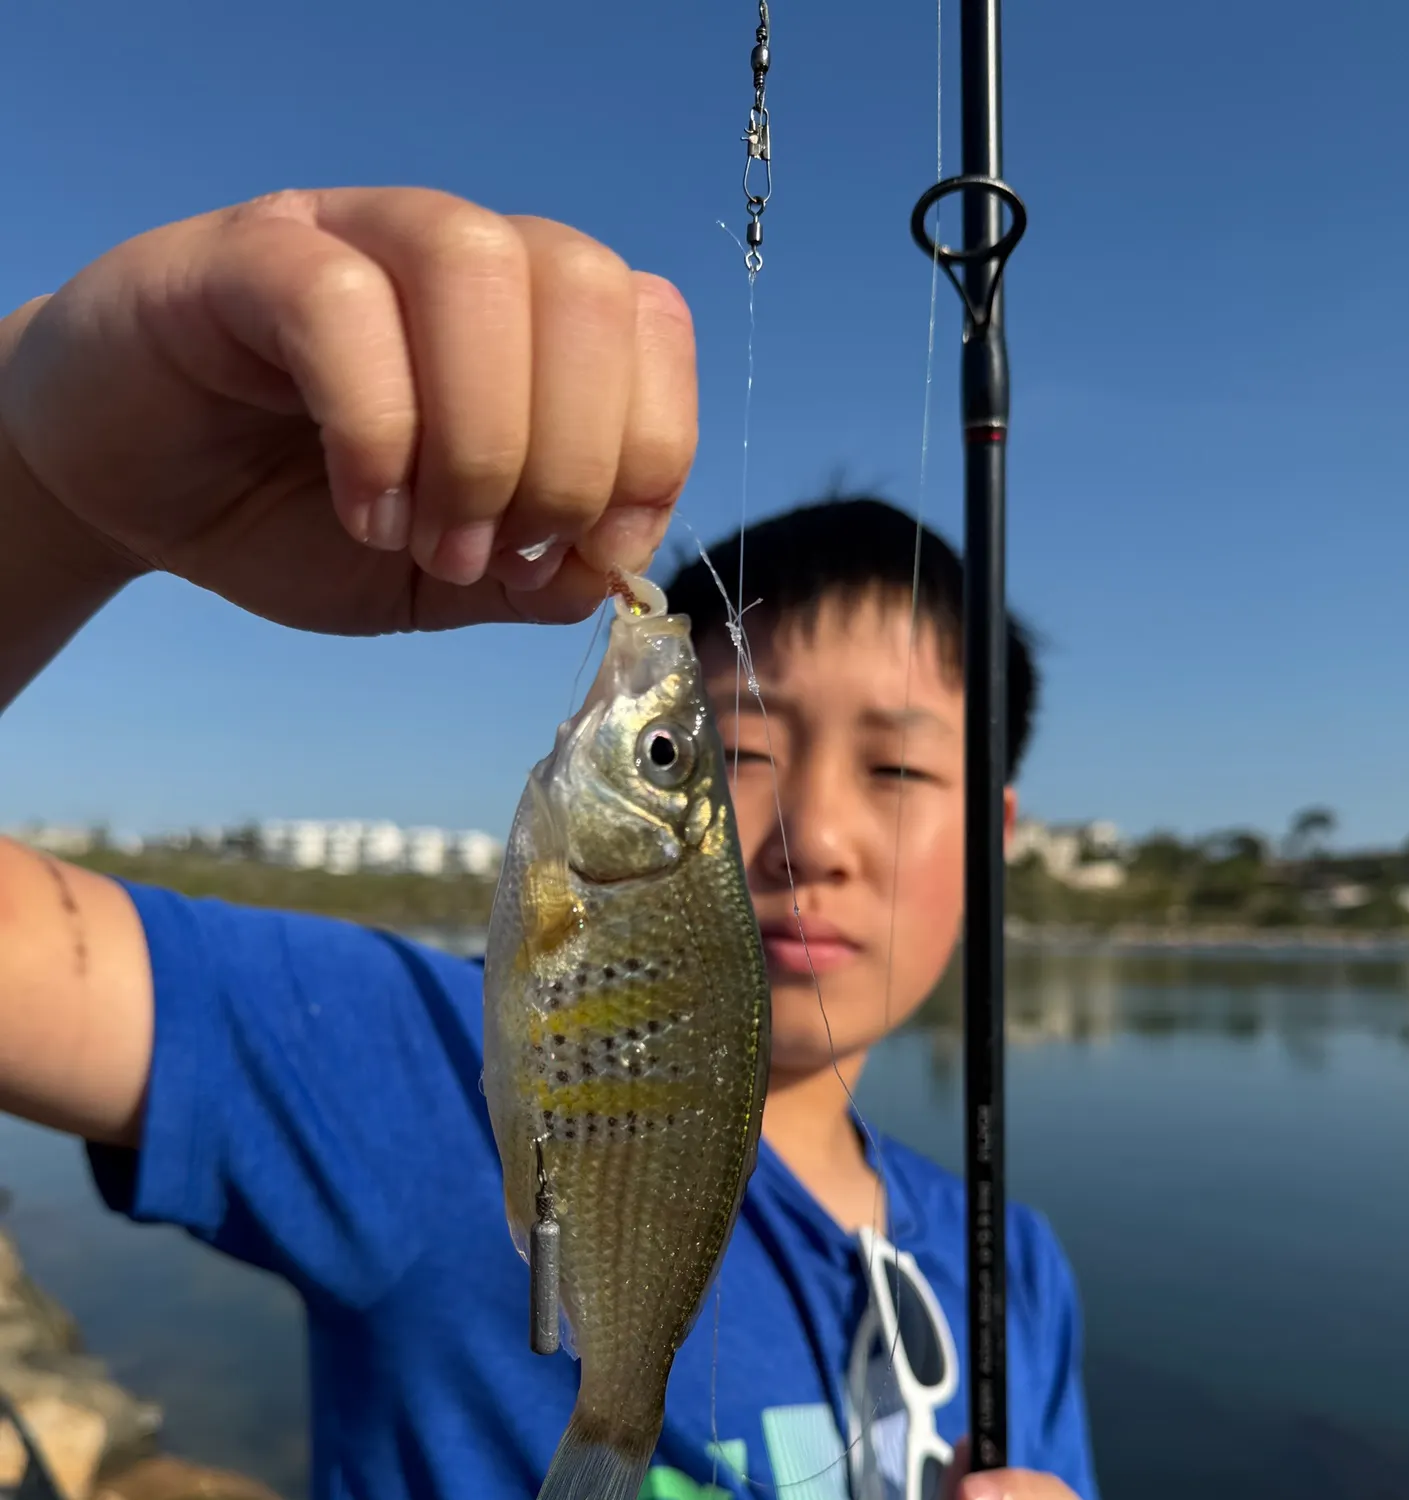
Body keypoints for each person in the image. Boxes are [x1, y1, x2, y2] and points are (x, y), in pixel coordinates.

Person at [0, 188, 1095, 1500]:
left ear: (998, 837)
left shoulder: (1013, 1276)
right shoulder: (394, 1067)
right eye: (726, 753)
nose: (813, 840)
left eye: (904, 770)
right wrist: (49, 482)